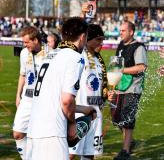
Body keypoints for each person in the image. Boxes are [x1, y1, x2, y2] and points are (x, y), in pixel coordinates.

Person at [26, 17, 96, 160]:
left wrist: (83, 109)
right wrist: (72, 123)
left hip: (34, 130)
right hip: (53, 133)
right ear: (83, 37)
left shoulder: (51, 55)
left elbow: (54, 97)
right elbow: (66, 100)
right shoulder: (76, 57)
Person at [69, 24, 109, 160]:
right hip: (80, 113)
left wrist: (106, 94)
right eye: (98, 39)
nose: (101, 43)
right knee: (70, 153)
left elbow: (99, 85)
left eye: (102, 39)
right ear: (87, 39)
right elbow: (74, 36)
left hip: (96, 114)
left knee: (89, 154)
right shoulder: (80, 55)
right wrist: (84, 14)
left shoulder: (99, 58)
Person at [110, 21, 147, 160]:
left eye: (123, 31)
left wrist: (122, 70)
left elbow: (141, 67)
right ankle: (130, 141)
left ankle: (125, 151)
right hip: (120, 87)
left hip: (133, 88)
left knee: (127, 118)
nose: (121, 33)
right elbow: (115, 65)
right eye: (120, 31)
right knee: (115, 118)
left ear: (131, 32)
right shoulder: (120, 45)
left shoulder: (138, 47)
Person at [13, 26, 48, 160]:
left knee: (41, 138)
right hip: (27, 100)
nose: (24, 45)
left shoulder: (50, 53)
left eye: (27, 42)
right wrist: (18, 95)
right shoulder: (23, 53)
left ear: (36, 40)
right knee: (18, 133)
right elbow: (23, 74)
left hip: (43, 101)